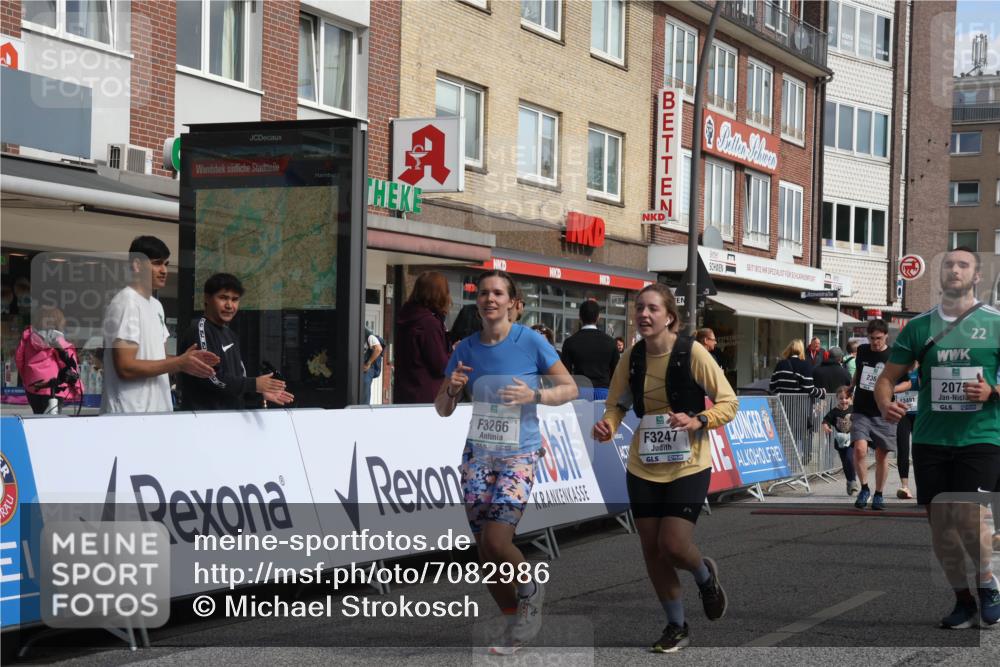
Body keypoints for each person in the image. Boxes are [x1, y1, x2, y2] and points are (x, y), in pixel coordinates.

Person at [435, 270, 578, 654]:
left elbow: (570, 388)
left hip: (519, 454)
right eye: (484, 293)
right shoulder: (465, 348)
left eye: (498, 293)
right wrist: (452, 390)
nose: (489, 299)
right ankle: (516, 624)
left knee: (498, 541)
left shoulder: (530, 341)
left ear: (512, 302)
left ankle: (530, 587)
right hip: (478, 455)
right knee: (485, 552)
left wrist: (535, 396)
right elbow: (442, 409)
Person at [592, 283, 738, 652]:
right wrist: (608, 425)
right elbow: (617, 404)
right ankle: (676, 626)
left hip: (689, 464)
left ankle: (704, 576)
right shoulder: (632, 357)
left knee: (673, 544)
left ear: (670, 317)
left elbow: (729, 402)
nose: (643, 314)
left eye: (652, 308)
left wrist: (698, 420)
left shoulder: (692, 352)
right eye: (639, 307)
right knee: (653, 550)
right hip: (644, 466)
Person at [876, 247, 1000, 629]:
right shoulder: (919, 327)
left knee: (969, 517)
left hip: (980, 437)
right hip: (931, 439)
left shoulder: (995, 322)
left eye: (963, 264)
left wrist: (992, 390)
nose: (954, 270)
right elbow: (886, 379)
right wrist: (884, 404)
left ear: (977, 276)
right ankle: (963, 602)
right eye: (948, 264)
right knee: (942, 528)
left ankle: (988, 584)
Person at [101, 236, 218, 414]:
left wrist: (188, 361)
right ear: (137, 265)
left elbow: (159, 359)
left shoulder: (156, 305)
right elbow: (125, 367)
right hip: (129, 415)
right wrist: (179, 363)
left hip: (158, 413)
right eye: (157, 263)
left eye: (166, 264)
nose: (164, 270)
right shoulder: (126, 302)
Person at [178, 273, 292, 411]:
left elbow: (235, 382)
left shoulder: (230, 335)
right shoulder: (200, 329)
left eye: (235, 299)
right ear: (207, 298)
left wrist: (259, 393)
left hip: (232, 417)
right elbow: (211, 378)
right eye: (223, 298)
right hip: (204, 419)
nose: (229, 305)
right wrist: (254, 384)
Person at [850, 318, 909, 511]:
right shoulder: (862, 350)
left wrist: (889, 389)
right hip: (861, 409)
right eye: (872, 338)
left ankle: (879, 494)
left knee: (881, 455)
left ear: (886, 336)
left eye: (879, 338)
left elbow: (908, 382)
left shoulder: (893, 355)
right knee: (859, 449)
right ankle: (864, 488)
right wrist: (851, 386)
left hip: (884, 411)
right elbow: (859, 372)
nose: (875, 342)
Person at [14, 305, 84, 414]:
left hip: (33, 388)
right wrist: (78, 387)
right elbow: (68, 364)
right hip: (53, 387)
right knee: (52, 418)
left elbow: (19, 359)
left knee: (38, 415)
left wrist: (27, 377)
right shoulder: (57, 340)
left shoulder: (27, 338)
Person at [394, 271, 451, 404]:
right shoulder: (428, 323)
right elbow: (440, 366)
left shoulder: (408, 317)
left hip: (406, 394)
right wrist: (453, 351)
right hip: (427, 397)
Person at [770, 339, 825, 465]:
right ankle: (797, 461)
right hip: (800, 406)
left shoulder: (780, 365)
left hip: (783, 404)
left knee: (784, 432)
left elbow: (772, 386)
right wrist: (821, 392)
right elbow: (809, 388)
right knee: (802, 432)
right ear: (801, 350)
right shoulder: (805, 365)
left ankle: (785, 461)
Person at [560, 300, 620, 401]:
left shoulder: (570, 342)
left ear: (580, 317)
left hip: (580, 392)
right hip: (603, 392)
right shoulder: (610, 342)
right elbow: (616, 373)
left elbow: (565, 373)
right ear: (598, 317)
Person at [822, 386, 858, 495]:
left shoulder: (854, 409)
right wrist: (826, 427)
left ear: (851, 398)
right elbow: (825, 420)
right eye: (841, 398)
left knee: (849, 459)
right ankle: (849, 481)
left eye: (846, 398)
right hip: (841, 441)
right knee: (845, 462)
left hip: (852, 439)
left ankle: (853, 481)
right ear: (837, 398)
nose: (844, 401)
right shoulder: (834, 412)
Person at [360, 326, 384, 404]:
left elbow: (378, 349)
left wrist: (368, 363)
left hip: (367, 369)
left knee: (364, 395)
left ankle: (364, 410)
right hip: (364, 369)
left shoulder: (369, 335)